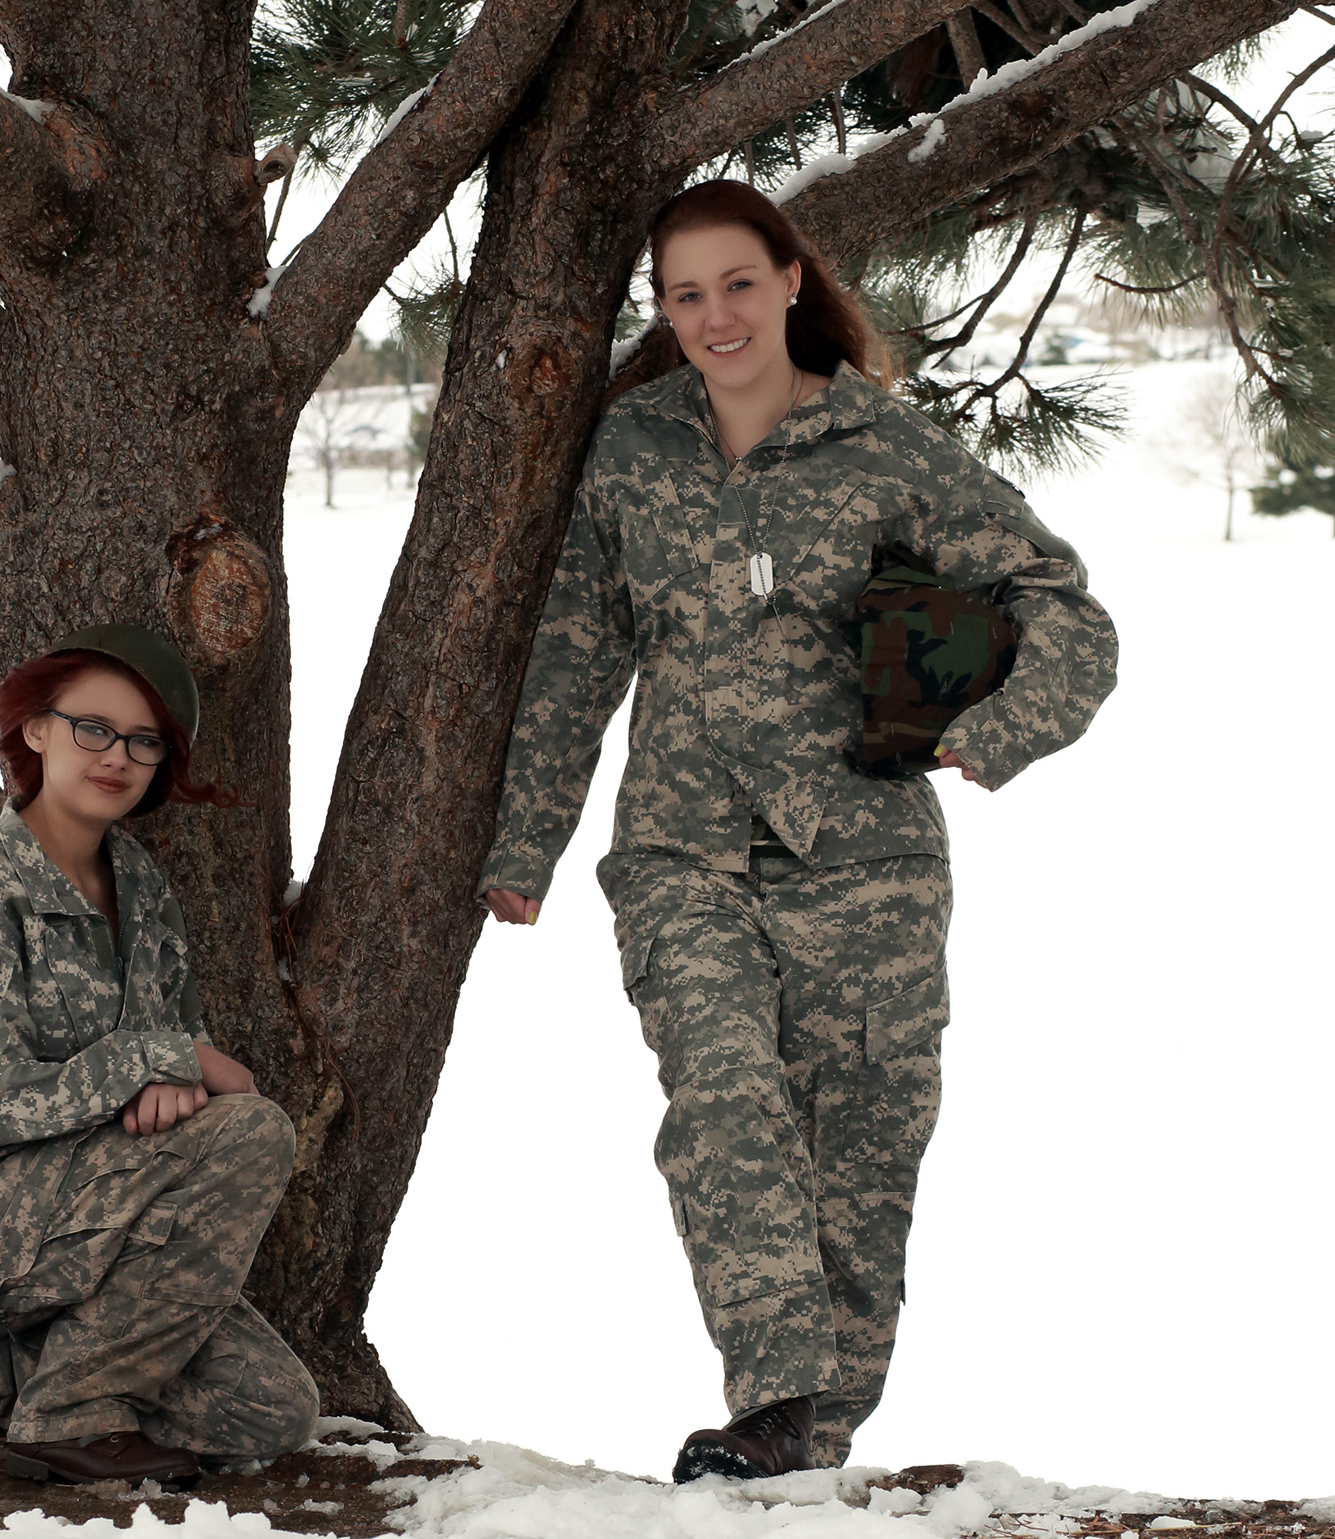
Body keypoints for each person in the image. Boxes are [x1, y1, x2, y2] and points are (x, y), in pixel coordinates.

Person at [479, 182, 1118, 1483]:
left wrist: (991, 734)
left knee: (861, 1161)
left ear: (788, 279)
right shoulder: (632, 448)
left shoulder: (882, 445)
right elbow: (576, 651)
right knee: (722, 1098)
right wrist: (523, 845)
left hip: (868, 863)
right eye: (685, 295)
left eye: (736, 283)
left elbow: (1064, 607)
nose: (715, 316)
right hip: (682, 848)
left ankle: (807, 1454)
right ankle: (775, 1402)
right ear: (666, 312)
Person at [0, 624, 319, 1488]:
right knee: (253, 1133)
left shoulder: (140, 886)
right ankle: (69, 1417)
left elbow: (187, 1050)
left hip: (78, 1211)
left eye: (144, 741)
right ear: (35, 730)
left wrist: (174, 1069)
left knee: (270, 1408)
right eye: (92, 728)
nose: (117, 756)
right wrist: (153, 1061)